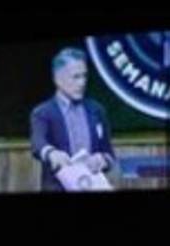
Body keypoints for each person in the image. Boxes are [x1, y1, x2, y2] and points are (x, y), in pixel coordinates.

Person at [29, 47, 117, 192]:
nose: (82, 83)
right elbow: (38, 143)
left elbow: (109, 154)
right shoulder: (42, 113)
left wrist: (103, 160)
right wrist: (51, 153)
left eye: (84, 76)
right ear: (58, 79)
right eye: (76, 77)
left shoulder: (97, 110)